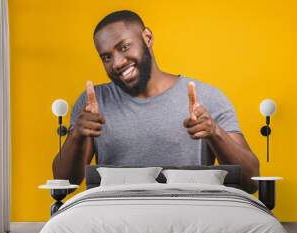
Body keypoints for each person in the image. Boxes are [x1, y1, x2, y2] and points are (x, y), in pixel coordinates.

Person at [52, 10, 259, 193]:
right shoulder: (93, 104)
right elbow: (64, 182)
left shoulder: (208, 97)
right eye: (106, 57)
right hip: (114, 216)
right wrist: (77, 135)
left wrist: (215, 133)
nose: (117, 62)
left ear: (147, 37)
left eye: (124, 46)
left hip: (192, 213)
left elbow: (250, 182)